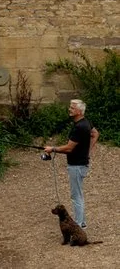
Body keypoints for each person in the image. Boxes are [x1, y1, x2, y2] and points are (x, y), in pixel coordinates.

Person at [44, 98, 97, 228]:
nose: (69, 109)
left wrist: (52, 149)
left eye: (72, 108)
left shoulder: (79, 127)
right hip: (80, 163)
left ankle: (79, 225)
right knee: (78, 194)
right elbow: (95, 134)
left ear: (79, 111)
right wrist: (87, 151)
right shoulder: (85, 122)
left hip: (77, 166)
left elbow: (69, 148)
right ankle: (81, 222)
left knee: (76, 196)